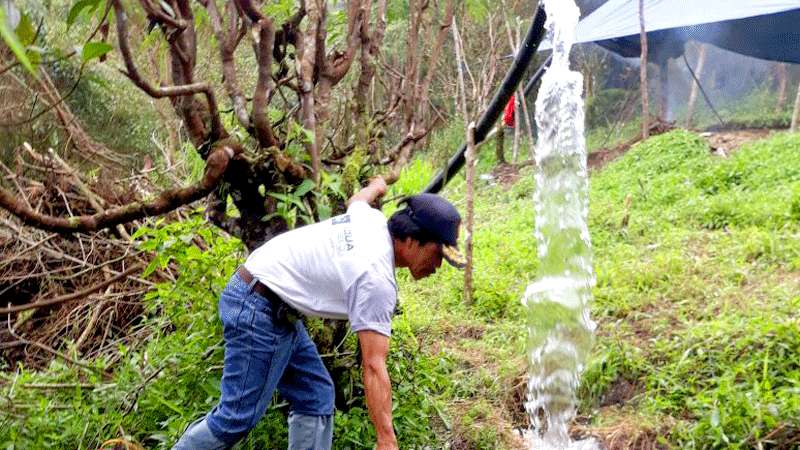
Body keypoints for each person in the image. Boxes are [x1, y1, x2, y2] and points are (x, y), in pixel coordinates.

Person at [173, 177, 465, 450]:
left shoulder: (371, 220)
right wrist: (386, 439)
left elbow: (358, 199)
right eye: (438, 255)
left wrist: (377, 186)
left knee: (315, 396)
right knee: (235, 418)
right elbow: (374, 366)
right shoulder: (375, 279)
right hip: (258, 306)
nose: (438, 266)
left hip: (270, 299)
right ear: (413, 240)